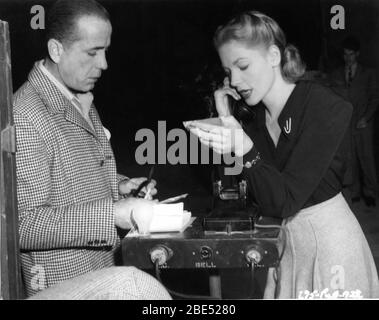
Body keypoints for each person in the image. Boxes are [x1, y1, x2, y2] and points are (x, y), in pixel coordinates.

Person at [184, 11, 379, 298]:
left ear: (274, 56)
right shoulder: (255, 121)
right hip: (287, 243)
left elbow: (284, 200)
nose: (234, 80)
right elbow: (242, 195)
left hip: (330, 244)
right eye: (228, 72)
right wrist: (226, 120)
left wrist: (244, 147)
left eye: (243, 65)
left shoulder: (324, 106)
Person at [13, 0, 157, 297]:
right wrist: (114, 214)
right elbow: (24, 224)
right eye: (92, 52)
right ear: (56, 50)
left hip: (102, 268)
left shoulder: (78, 96)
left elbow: (69, 180)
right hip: (60, 284)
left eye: (105, 50)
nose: (103, 64)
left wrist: (121, 188)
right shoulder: (25, 114)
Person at [330, 36, 379, 207]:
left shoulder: (369, 73)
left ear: (357, 54)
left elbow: (375, 98)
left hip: (363, 123)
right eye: (345, 54)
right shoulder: (336, 73)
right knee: (349, 160)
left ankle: (370, 192)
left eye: (351, 54)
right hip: (346, 124)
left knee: (366, 159)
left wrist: (366, 117)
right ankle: (355, 191)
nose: (348, 58)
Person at [28, 267, 171, 300]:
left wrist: (122, 191)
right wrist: (112, 213)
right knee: (134, 286)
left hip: (99, 262)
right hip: (58, 273)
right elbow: (23, 221)